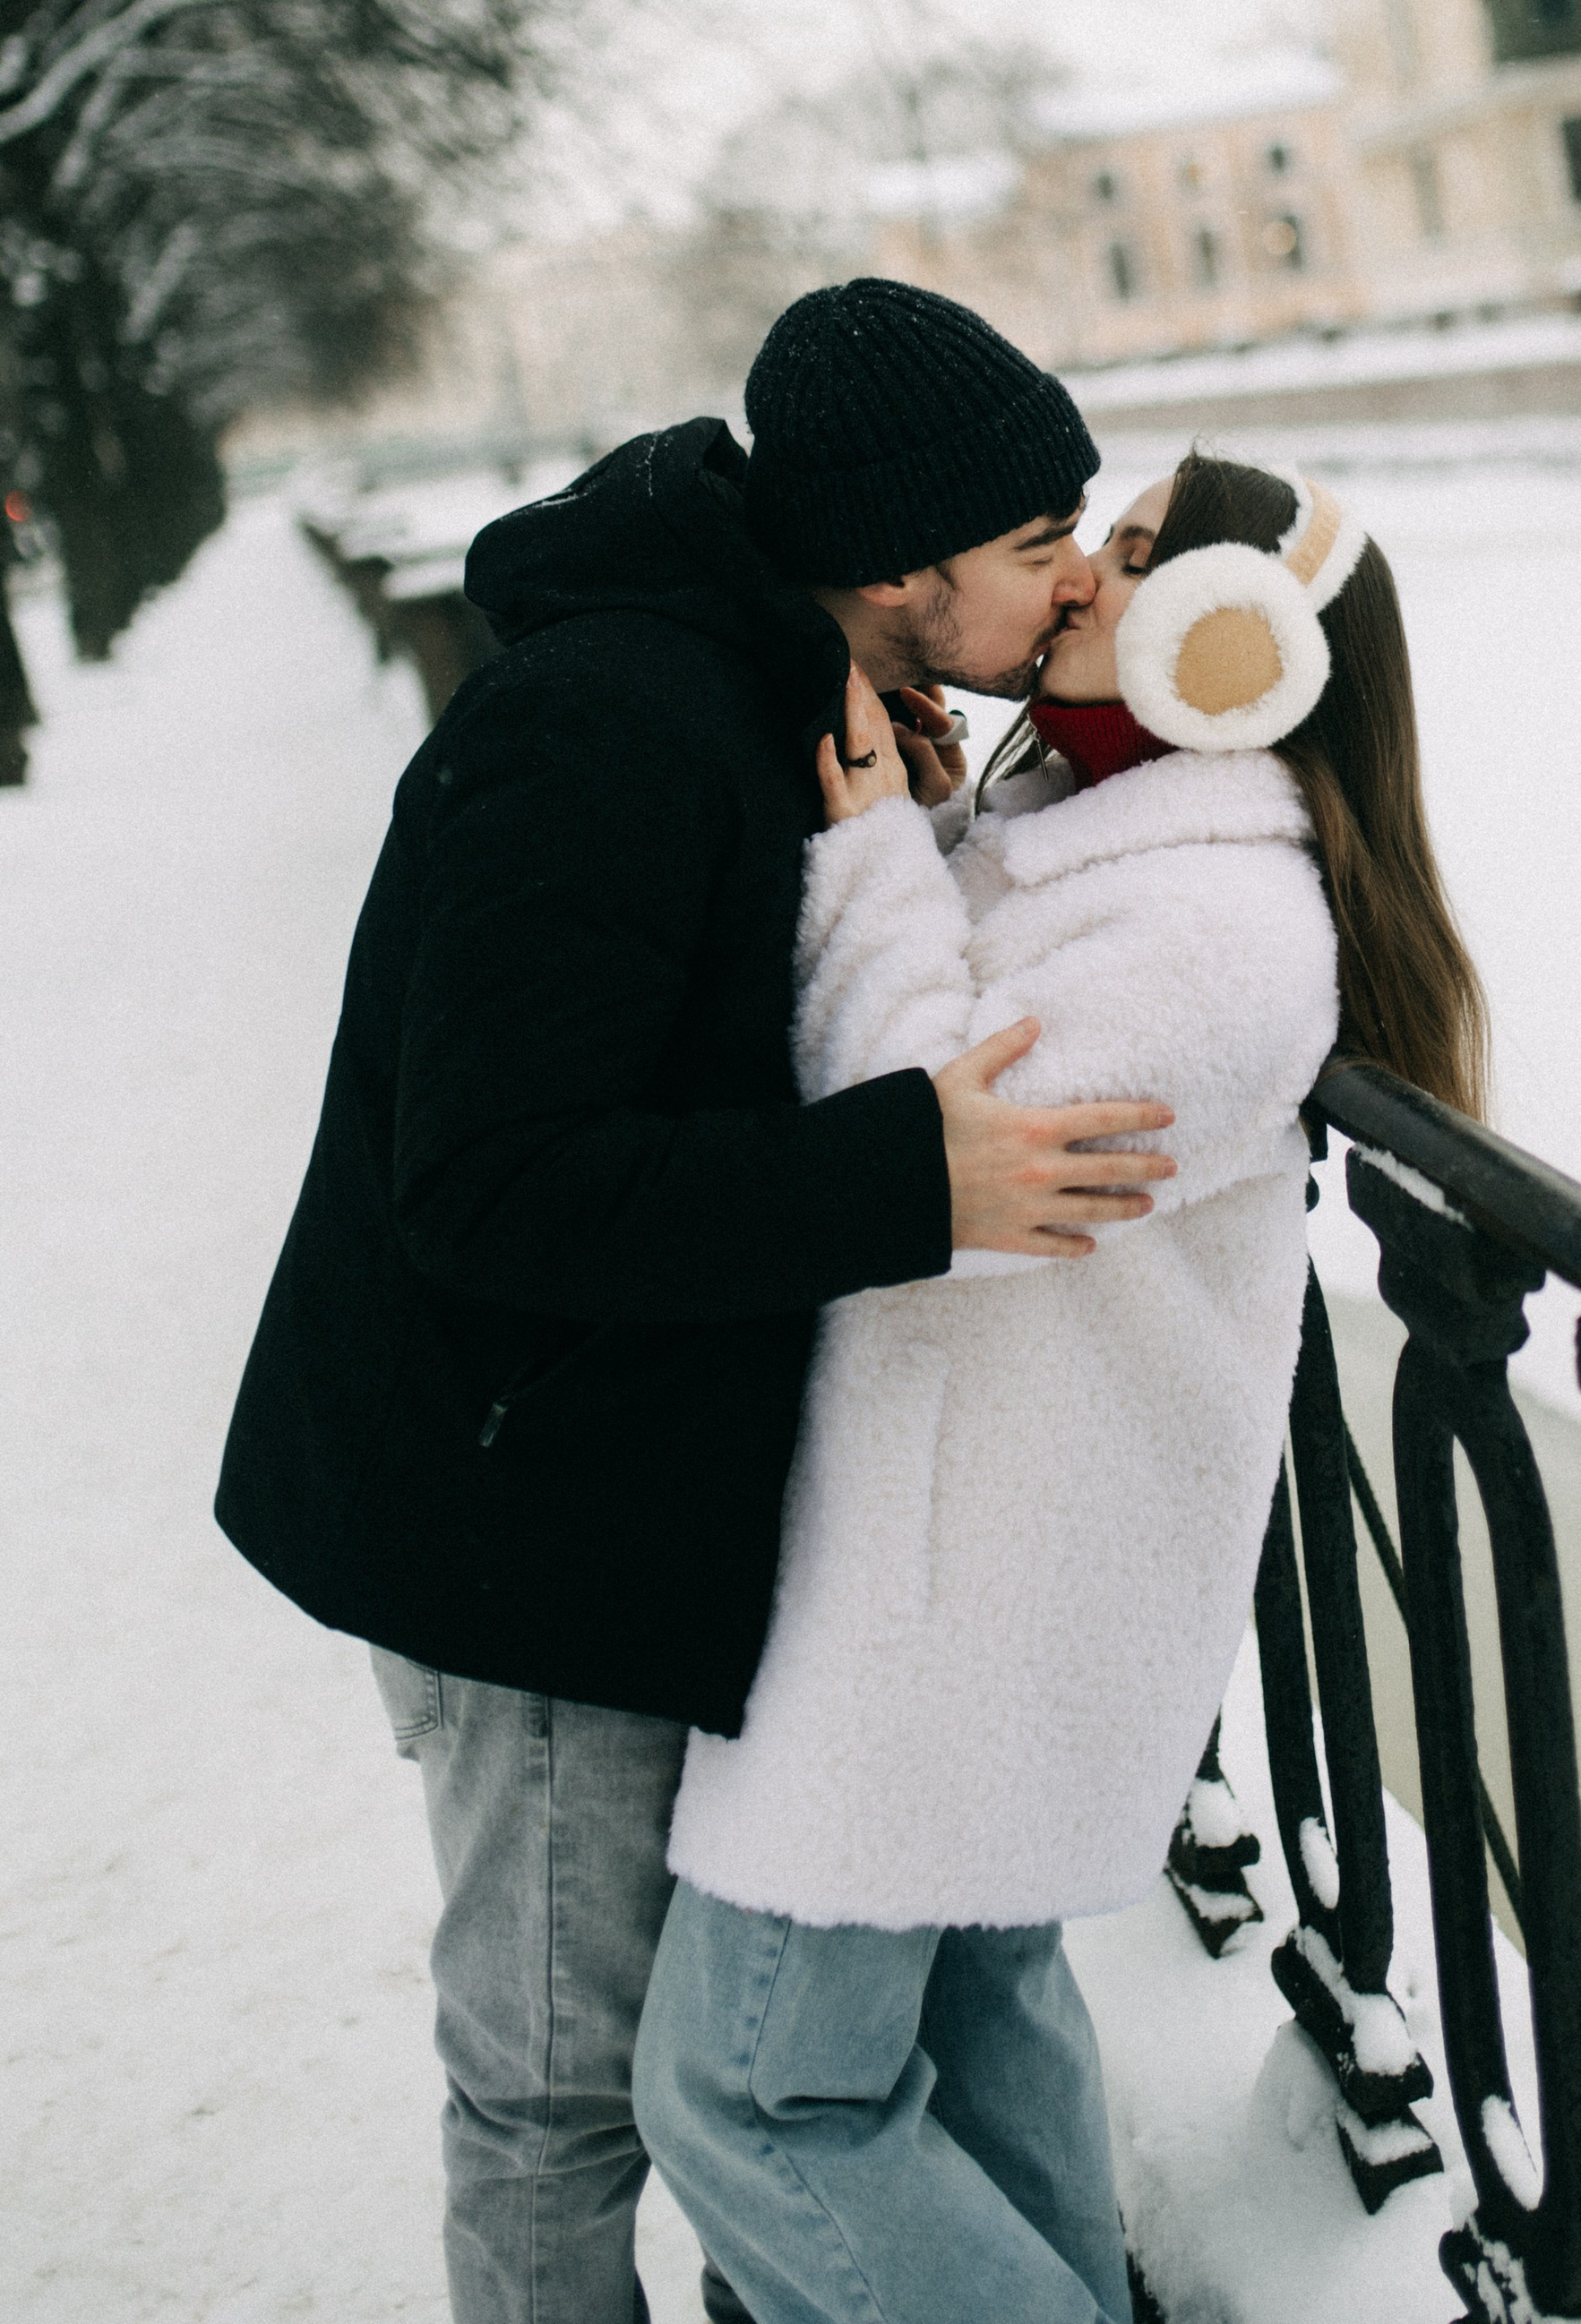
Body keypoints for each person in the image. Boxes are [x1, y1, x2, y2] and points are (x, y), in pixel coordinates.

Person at [215, 279, 1180, 2324]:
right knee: (561, 2090)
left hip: (645, 1496)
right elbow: (486, 1182)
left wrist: (904, 828)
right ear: (899, 570)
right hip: (524, 1525)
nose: (1075, 576)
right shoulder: (604, 723)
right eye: (1032, 547)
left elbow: (712, 1016)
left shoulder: (767, 695)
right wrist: (905, 1175)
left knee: (765, 2047)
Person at [632, 450, 1489, 2324]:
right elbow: (940, 1044)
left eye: (1128, 551)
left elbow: (924, 1165)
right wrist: (929, 841)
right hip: (954, 1555)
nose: (1080, 578)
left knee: (747, 2096)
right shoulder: (1088, 832)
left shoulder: (1218, 932)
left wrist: (870, 860)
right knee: (968, 2017)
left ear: (1225, 640)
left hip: (962, 1598)